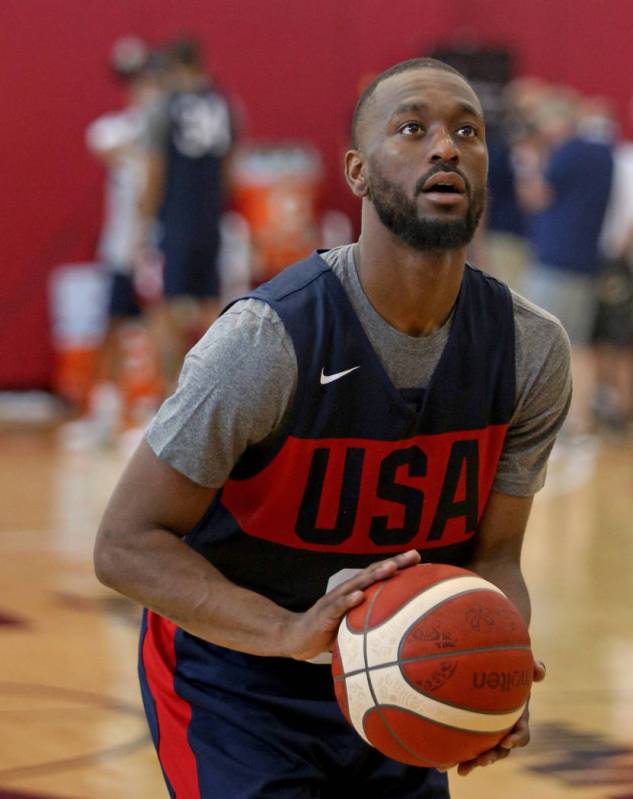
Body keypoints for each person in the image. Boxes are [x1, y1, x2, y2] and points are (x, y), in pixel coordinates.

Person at [94, 57, 571, 798]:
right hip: (239, 684)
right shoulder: (266, 342)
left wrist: (494, 660)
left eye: (466, 131)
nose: (444, 147)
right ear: (354, 171)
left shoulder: (529, 350)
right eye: (412, 128)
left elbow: (497, 553)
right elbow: (124, 544)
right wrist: (287, 632)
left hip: (403, 673)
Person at [140, 37, 236, 388]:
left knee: (164, 309)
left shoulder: (166, 106)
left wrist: (144, 219)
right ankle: (213, 393)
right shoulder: (224, 104)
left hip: (174, 218)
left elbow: (155, 168)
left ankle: (168, 398)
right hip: (210, 216)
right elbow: (230, 166)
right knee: (212, 306)